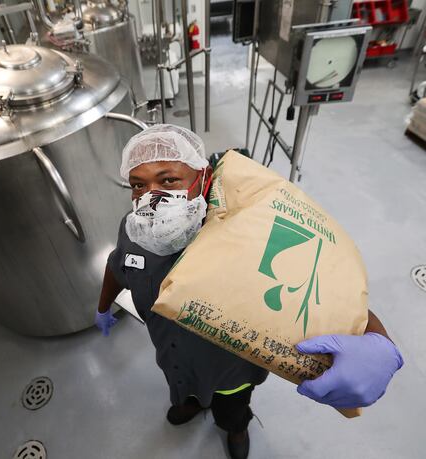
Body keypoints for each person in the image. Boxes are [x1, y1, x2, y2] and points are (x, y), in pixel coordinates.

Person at [95, 124, 404, 459]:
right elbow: (117, 267)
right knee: (183, 392)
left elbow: (316, 286)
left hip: (232, 373)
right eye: (139, 185)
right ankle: (192, 404)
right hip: (173, 359)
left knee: (231, 409)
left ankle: (237, 428)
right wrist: (102, 307)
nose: (152, 197)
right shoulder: (134, 228)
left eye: (169, 180)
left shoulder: (240, 235)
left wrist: (378, 340)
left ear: (203, 177)